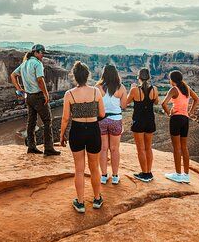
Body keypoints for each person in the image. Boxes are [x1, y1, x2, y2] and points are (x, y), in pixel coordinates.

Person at [60, 61, 105, 213]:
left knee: (79, 169)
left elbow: (65, 118)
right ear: (87, 76)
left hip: (77, 131)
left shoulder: (69, 94)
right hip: (93, 130)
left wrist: (62, 135)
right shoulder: (96, 92)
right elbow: (102, 114)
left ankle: (80, 203)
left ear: (75, 77)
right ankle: (97, 199)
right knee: (94, 168)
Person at [10, 44, 60, 156]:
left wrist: (19, 89)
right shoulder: (37, 64)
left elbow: (13, 75)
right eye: (42, 53)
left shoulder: (24, 64)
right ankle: (48, 148)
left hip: (29, 97)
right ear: (36, 52)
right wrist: (46, 94)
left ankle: (31, 147)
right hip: (38, 96)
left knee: (31, 122)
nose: (43, 55)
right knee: (47, 121)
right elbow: (40, 80)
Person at [161, 70, 199, 184]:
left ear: (172, 80)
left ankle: (178, 174)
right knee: (184, 147)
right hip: (185, 119)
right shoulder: (186, 88)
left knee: (176, 148)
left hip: (176, 119)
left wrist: (169, 113)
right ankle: (186, 175)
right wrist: (190, 112)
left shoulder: (174, 89)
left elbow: (164, 103)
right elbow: (196, 99)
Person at [96, 64, 127, 185]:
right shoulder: (121, 88)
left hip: (102, 120)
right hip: (115, 120)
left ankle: (103, 176)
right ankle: (115, 176)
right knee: (114, 149)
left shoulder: (98, 87)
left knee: (103, 149)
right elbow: (123, 106)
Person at [126, 68, 158, 183]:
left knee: (141, 149)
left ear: (138, 77)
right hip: (150, 121)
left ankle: (144, 174)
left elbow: (125, 103)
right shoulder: (154, 89)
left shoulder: (135, 90)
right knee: (148, 148)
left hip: (138, 121)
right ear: (149, 77)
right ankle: (148, 172)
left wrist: (130, 89)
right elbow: (156, 102)